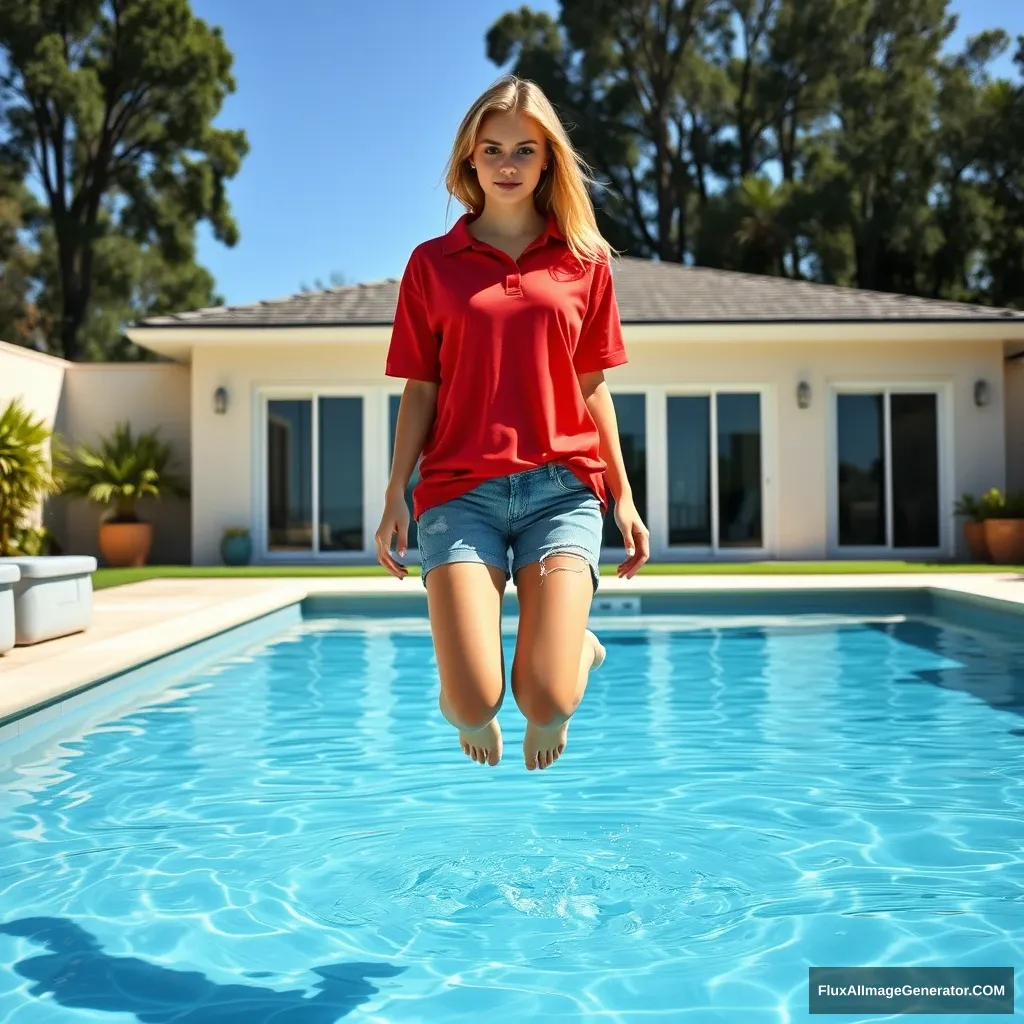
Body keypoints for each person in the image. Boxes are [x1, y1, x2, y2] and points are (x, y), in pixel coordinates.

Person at [376, 74, 649, 772]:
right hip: (458, 493)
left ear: (547, 160)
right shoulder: (431, 266)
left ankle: (573, 655)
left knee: (548, 701)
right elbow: (421, 387)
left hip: (561, 492)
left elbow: (594, 387)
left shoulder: (583, 263)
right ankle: (479, 693)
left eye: (524, 151)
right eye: (491, 149)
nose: (506, 164)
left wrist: (623, 495)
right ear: (469, 157)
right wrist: (392, 497)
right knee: (472, 705)